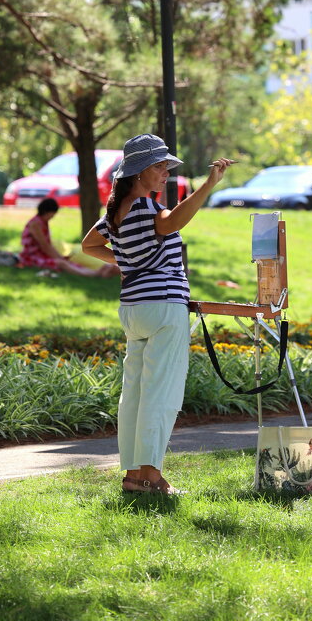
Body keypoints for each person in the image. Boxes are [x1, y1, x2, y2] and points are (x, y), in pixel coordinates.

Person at [82, 133, 234, 494]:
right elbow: (172, 223)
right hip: (164, 306)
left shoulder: (115, 211)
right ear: (139, 173)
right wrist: (209, 185)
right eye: (160, 166)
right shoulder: (145, 207)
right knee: (160, 394)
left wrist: (129, 263)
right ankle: (151, 475)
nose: (166, 171)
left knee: (133, 395)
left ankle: (133, 476)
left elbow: (90, 245)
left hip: (133, 309)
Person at [20, 198, 119, 278]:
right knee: (62, 263)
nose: (53, 217)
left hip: (40, 254)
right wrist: (59, 258)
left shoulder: (41, 222)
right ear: (47, 211)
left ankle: (96, 272)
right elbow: (45, 246)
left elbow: (47, 245)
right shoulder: (35, 224)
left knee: (68, 262)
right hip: (32, 256)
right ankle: (96, 274)